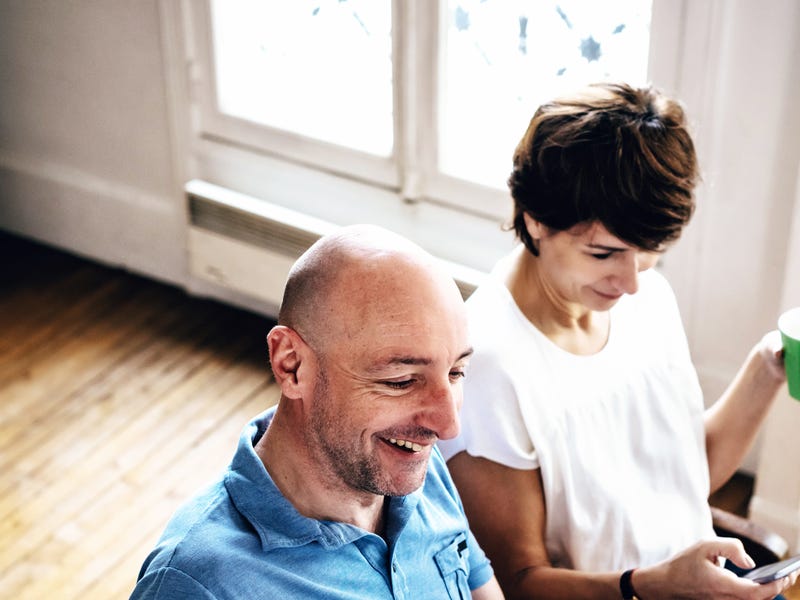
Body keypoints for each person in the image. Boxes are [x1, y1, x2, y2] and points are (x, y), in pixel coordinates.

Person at [439, 82, 796, 600]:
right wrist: (650, 586)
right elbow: (517, 585)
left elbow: (682, 479)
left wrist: (768, 367)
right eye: (603, 253)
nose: (630, 281)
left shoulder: (647, 298)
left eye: (648, 252)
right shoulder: (490, 364)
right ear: (535, 218)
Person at [130, 225, 505, 599]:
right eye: (400, 380)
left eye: (456, 372)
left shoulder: (416, 463)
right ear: (291, 365)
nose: (447, 426)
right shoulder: (196, 585)